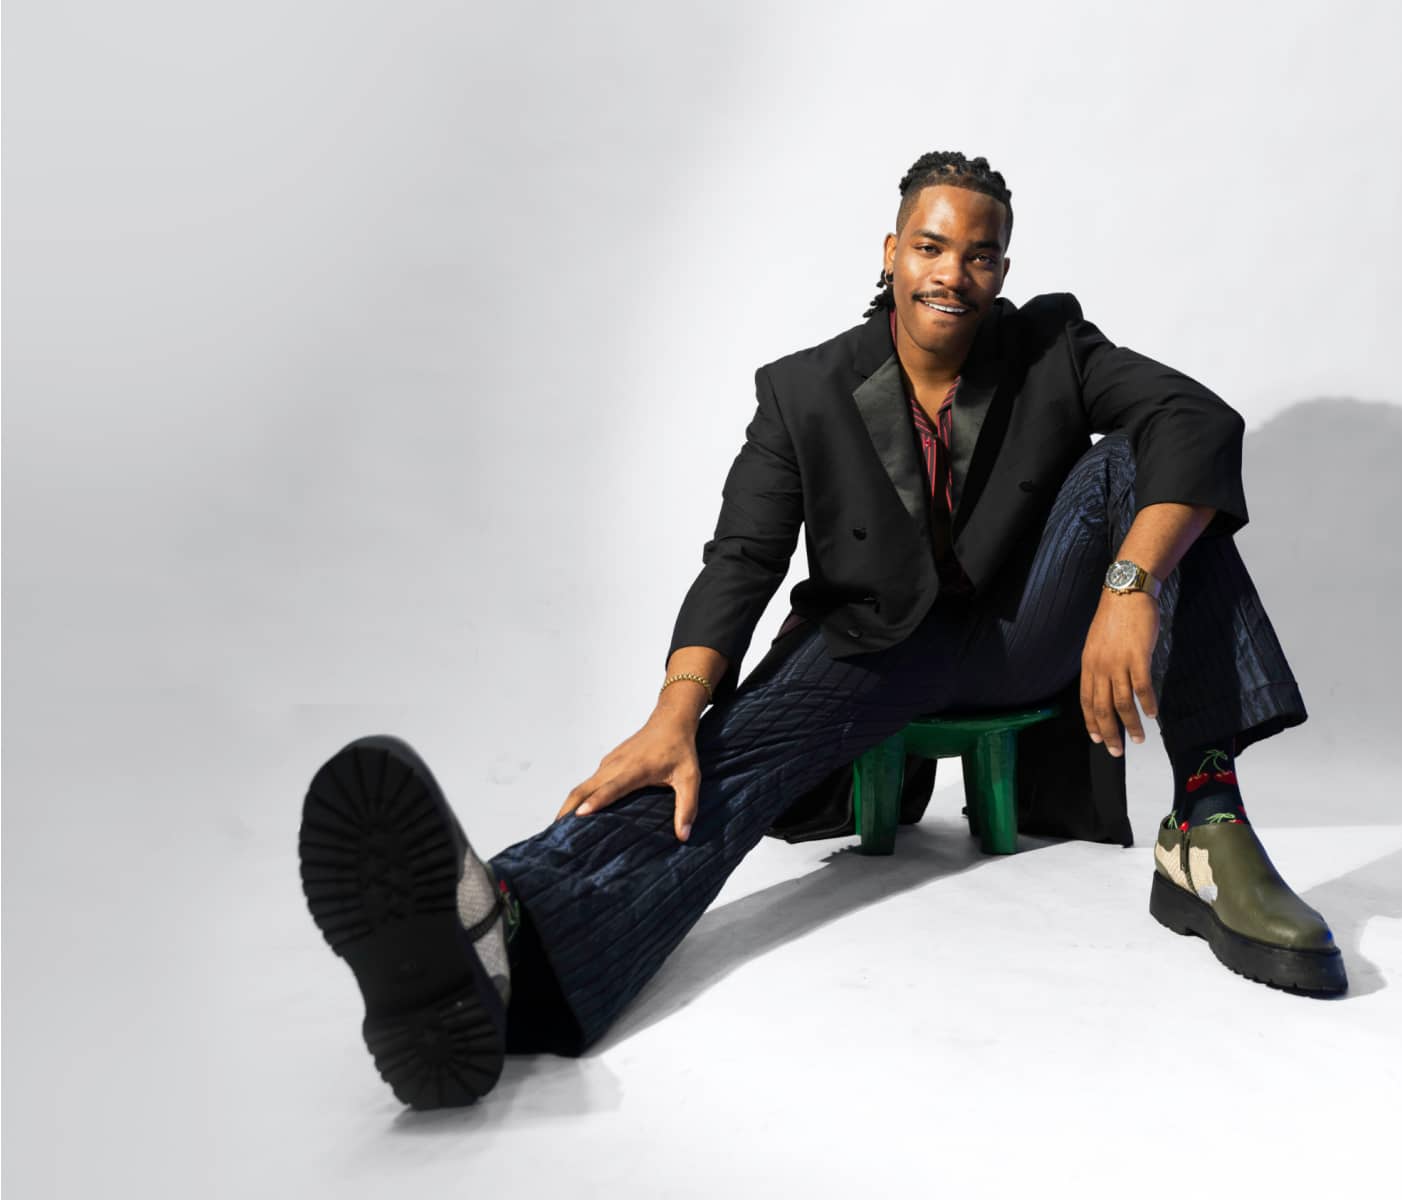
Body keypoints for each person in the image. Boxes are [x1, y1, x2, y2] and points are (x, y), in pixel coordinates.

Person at [297, 151, 1343, 1111]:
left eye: (979, 255)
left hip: (1021, 634)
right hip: (870, 650)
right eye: (930, 247)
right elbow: (741, 560)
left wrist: (1127, 584)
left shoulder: (1050, 349)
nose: (952, 273)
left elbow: (1198, 419)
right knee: (710, 768)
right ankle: (502, 935)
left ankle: (1205, 825)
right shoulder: (802, 391)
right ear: (891, 253)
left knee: (1147, 472)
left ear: (1001, 269)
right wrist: (673, 711)